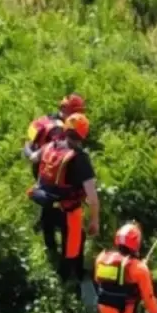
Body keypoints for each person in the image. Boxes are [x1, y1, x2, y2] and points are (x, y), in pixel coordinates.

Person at [28, 112, 100, 291]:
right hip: (69, 210)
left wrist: (27, 146)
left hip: (46, 202)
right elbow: (92, 197)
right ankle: (66, 280)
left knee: (50, 233)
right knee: (73, 247)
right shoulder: (80, 157)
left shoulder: (50, 146)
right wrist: (94, 220)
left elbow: (32, 158)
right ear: (84, 134)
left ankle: (51, 253)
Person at [23, 93, 86, 175]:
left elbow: (29, 143)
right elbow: (61, 150)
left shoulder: (45, 119)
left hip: (36, 164)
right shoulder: (59, 129)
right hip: (48, 171)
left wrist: (31, 154)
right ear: (65, 110)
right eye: (76, 113)